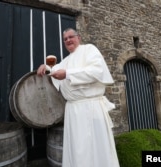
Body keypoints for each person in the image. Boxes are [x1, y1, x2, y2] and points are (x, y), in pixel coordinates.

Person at [37, 28, 120, 167]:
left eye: (71, 37)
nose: (68, 40)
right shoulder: (67, 60)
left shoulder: (89, 50)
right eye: (65, 39)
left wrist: (68, 74)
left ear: (79, 38)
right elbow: (56, 70)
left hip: (90, 108)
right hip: (73, 110)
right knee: (77, 148)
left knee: (96, 147)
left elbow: (96, 71)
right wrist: (45, 67)